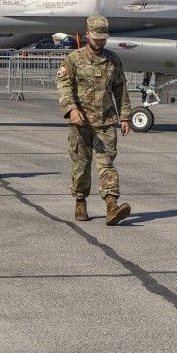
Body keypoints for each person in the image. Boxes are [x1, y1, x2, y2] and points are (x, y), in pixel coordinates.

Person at [56, 14, 132, 225]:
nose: (100, 41)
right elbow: (64, 86)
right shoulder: (73, 60)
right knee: (81, 166)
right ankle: (80, 201)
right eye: (96, 37)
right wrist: (71, 109)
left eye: (103, 38)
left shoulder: (113, 60)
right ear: (87, 33)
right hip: (80, 123)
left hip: (106, 122)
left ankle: (112, 206)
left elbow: (120, 89)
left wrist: (125, 116)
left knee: (106, 165)